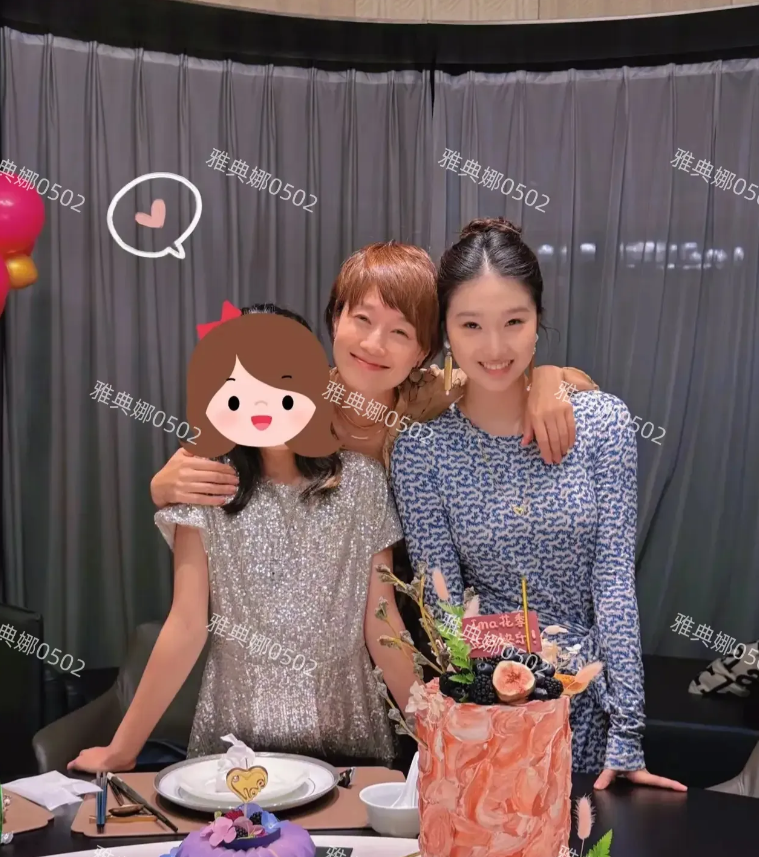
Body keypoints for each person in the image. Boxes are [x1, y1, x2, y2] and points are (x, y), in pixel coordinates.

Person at [390, 217, 687, 791]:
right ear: (445, 329)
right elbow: (443, 611)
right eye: (471, 325)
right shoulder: (422, 451)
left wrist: (628, 734)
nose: (494, 348)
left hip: (590, 713)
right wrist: (530, 662)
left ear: (538, 319)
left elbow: (614, 583)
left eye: (514, 322)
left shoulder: (602, 424)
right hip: (492, 715)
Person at [68, 306, 414, 773]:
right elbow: (186, 624)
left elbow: (382, 623)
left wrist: (439, 735)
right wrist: (122, 749)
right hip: (239, 731)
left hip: (347, 725)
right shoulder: (206, 484)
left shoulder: (362, 482)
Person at [149, 242, 600, 508]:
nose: (373, 344)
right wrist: (162, 487)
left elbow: (573, 383)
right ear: (335, 320)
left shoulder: (436, 393)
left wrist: (547, 380)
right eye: (362, 320)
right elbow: (207, 458)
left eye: (400, 332)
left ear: (423, 350)